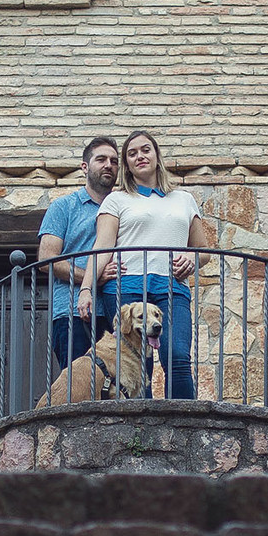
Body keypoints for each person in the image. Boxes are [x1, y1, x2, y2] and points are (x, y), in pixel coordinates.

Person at [80, 129, 214, 400]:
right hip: (126, 288)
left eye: (145, 150)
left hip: (171, 287)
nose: (139, 156)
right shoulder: (116, 199)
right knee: (138, 362)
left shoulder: (184, 200)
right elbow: (101, 247)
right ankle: (143, 431)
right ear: (126, 165)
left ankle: (185, 425)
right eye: (131, 153)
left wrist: (190, 259)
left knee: (176, 355)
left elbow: (203, 251)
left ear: (156, 155)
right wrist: (86, 288)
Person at [36, 135, 121, 371]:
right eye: (101, 159)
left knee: (119, 392)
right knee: (78, 387)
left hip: (117, 313)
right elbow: (47, 261)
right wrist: (93, 277)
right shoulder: (64, 207)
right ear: (85, 167)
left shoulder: (124, 207)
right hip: (73, 311)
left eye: (114, 161)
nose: (108, 165)